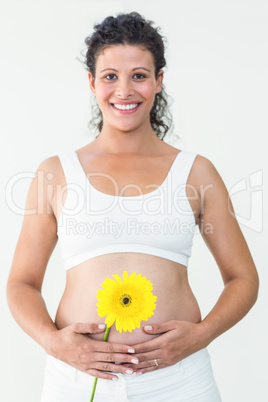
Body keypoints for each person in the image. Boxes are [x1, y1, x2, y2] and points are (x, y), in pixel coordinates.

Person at [7, 12, 259, 402]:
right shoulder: (56, 173)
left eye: (139, 75)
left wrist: (201, 334)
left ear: (159, 81)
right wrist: (54, 343)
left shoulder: (195, 172)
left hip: (179, 381)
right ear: (92, 82)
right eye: (110, 76)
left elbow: (243, 277)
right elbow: (22, 282)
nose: (124, 90)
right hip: (77, 381)